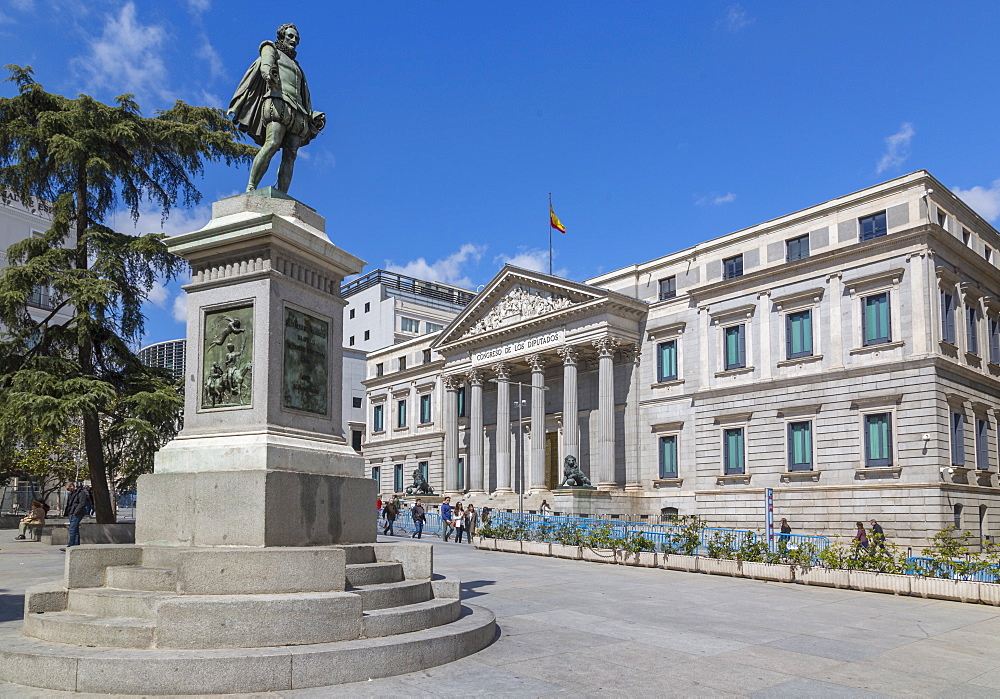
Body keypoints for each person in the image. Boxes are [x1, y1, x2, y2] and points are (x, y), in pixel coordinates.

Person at [229, 23, 326, 194]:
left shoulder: (298, 67)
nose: (294, 40)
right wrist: (268, 72)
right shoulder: (271, 48)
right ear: (282, 36)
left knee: (290, 156)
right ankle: (251, 186)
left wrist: (312, 115)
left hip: (299, 113)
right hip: (278, 103)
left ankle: (282, 194)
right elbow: (266, 62)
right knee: (272, 143)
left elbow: (303, 94)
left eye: (296, 38)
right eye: (290, 36)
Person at [63, 482, 91, 549]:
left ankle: (70, 545)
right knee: (75, 530)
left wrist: (75, 512)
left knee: (72, 529)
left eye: (68, 489)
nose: (68, 490)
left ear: (72, 486)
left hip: (77, 513)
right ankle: (75, 545)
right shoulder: (71, 494)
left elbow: (82, 503)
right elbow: (69, 504)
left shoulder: (81, 493)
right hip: (71, 513)